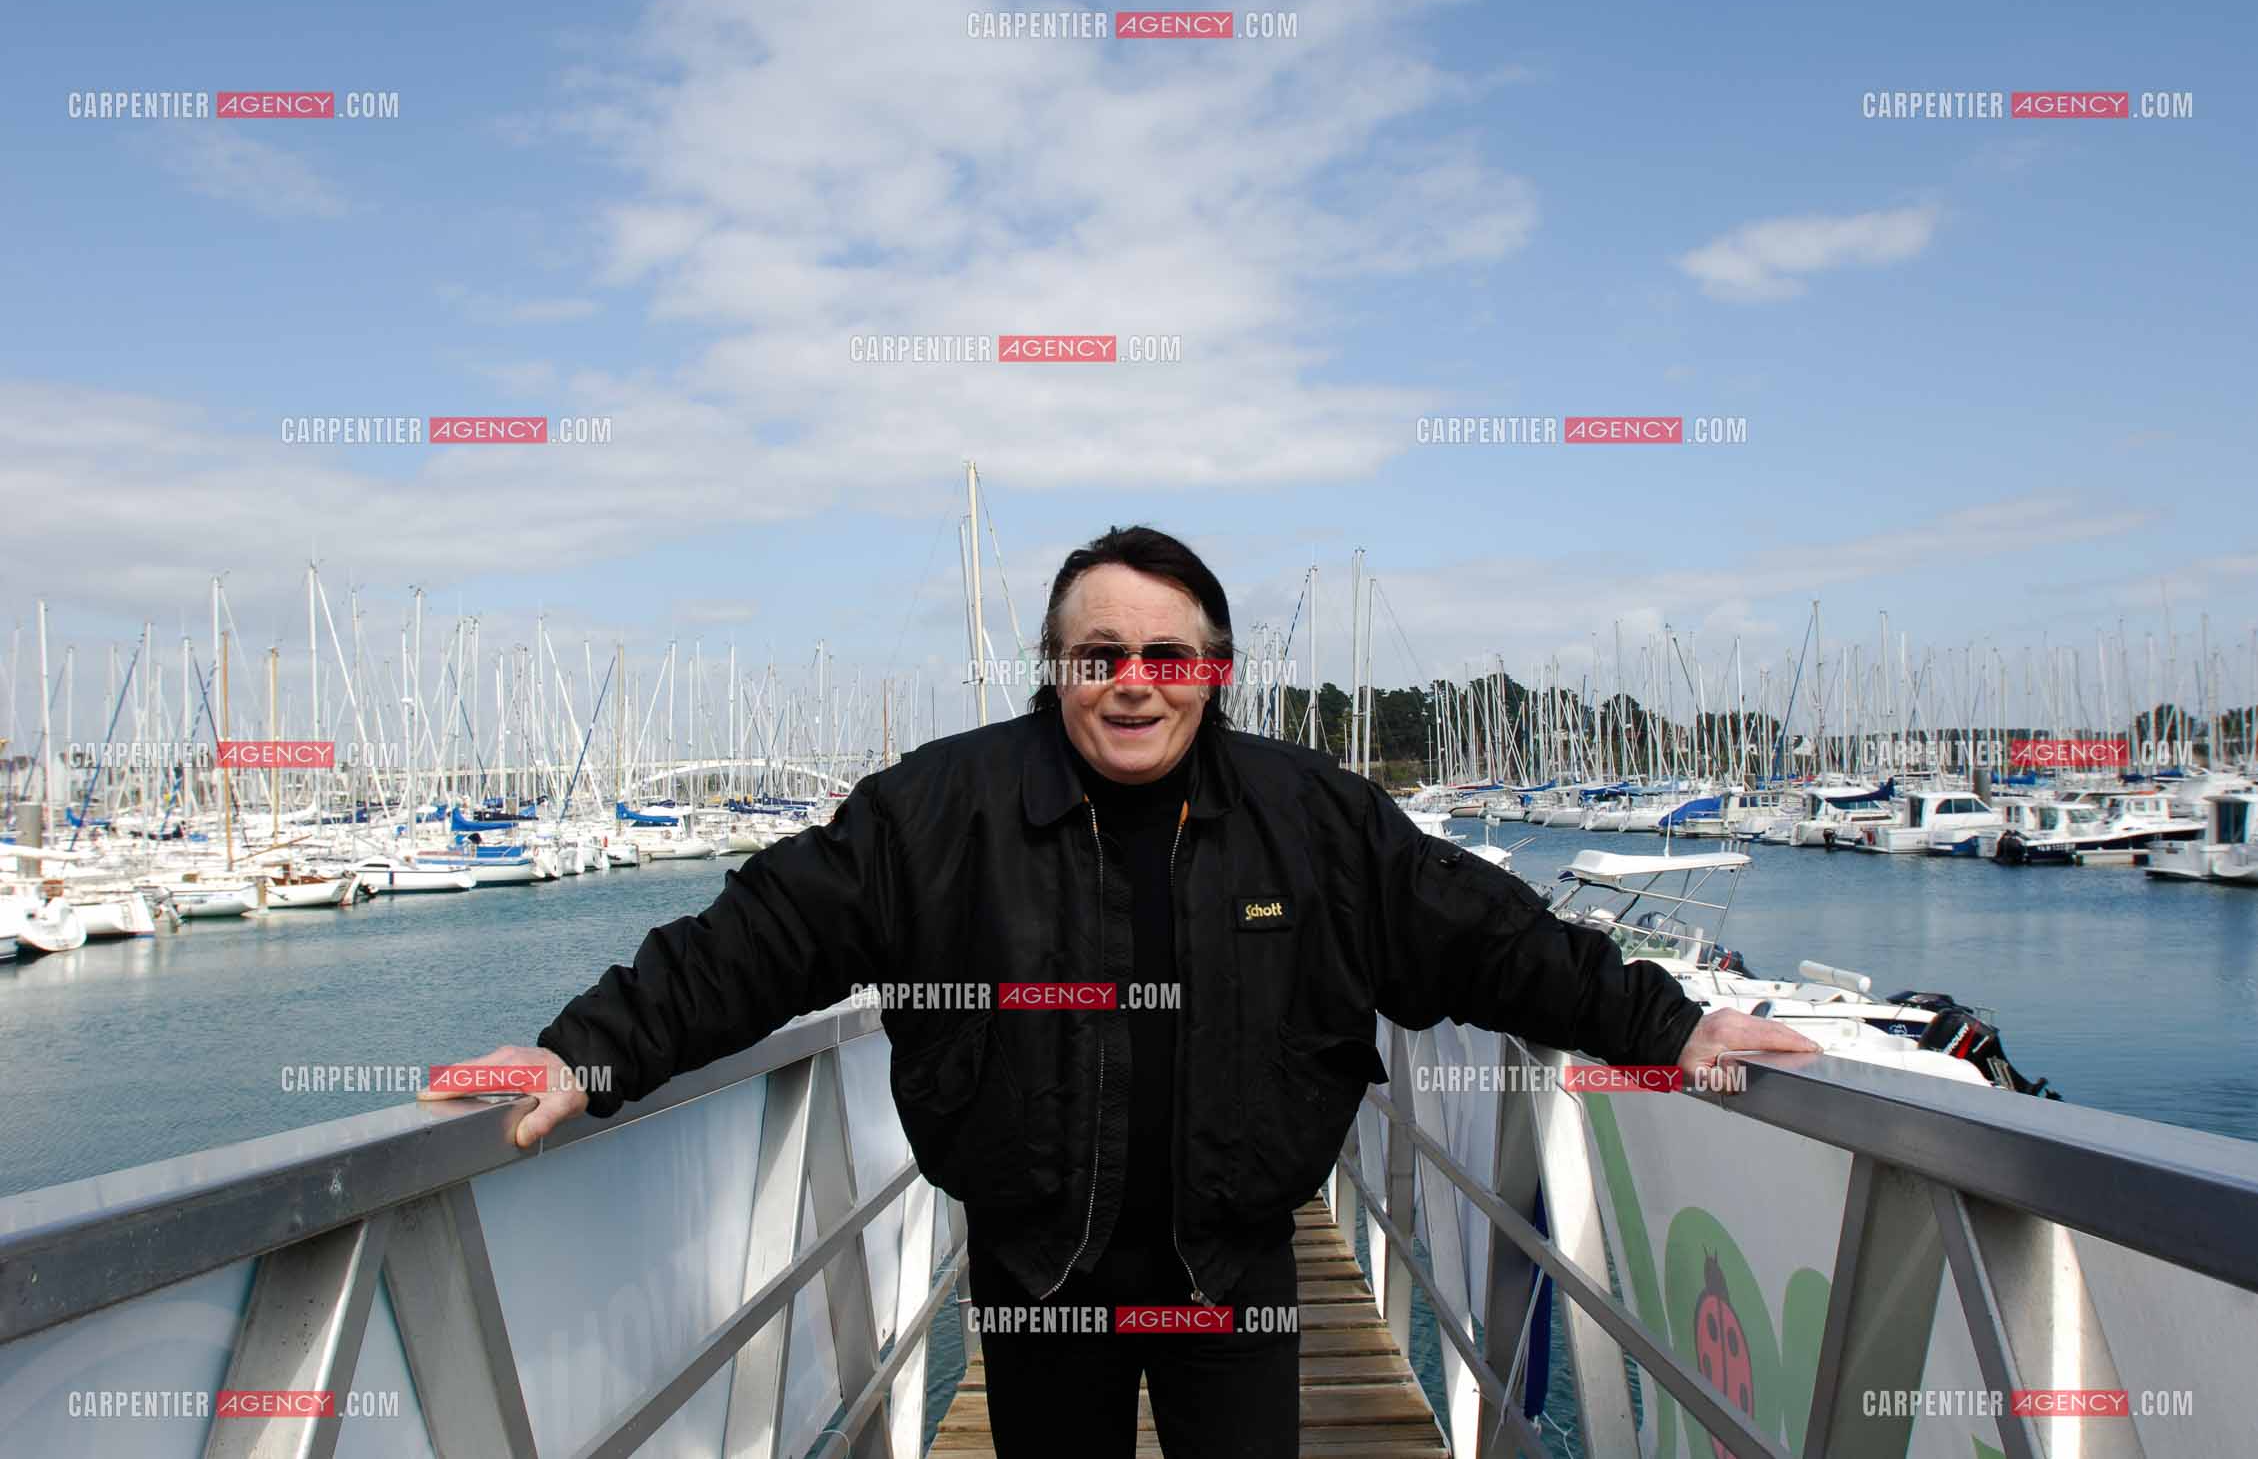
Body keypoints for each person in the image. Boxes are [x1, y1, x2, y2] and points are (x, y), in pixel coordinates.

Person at [425, 524, 1816, 1457]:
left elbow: (1496, 940)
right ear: (1058, 670)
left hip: (1236, 1260)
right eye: (1099, 656)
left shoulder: (1311, 817)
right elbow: (755, 942)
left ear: (1213, 670)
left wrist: (1671, 1025)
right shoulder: (937, 813)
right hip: (1039, 1265)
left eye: (1168, 657)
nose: (1133, 685)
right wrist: (584, 1057)